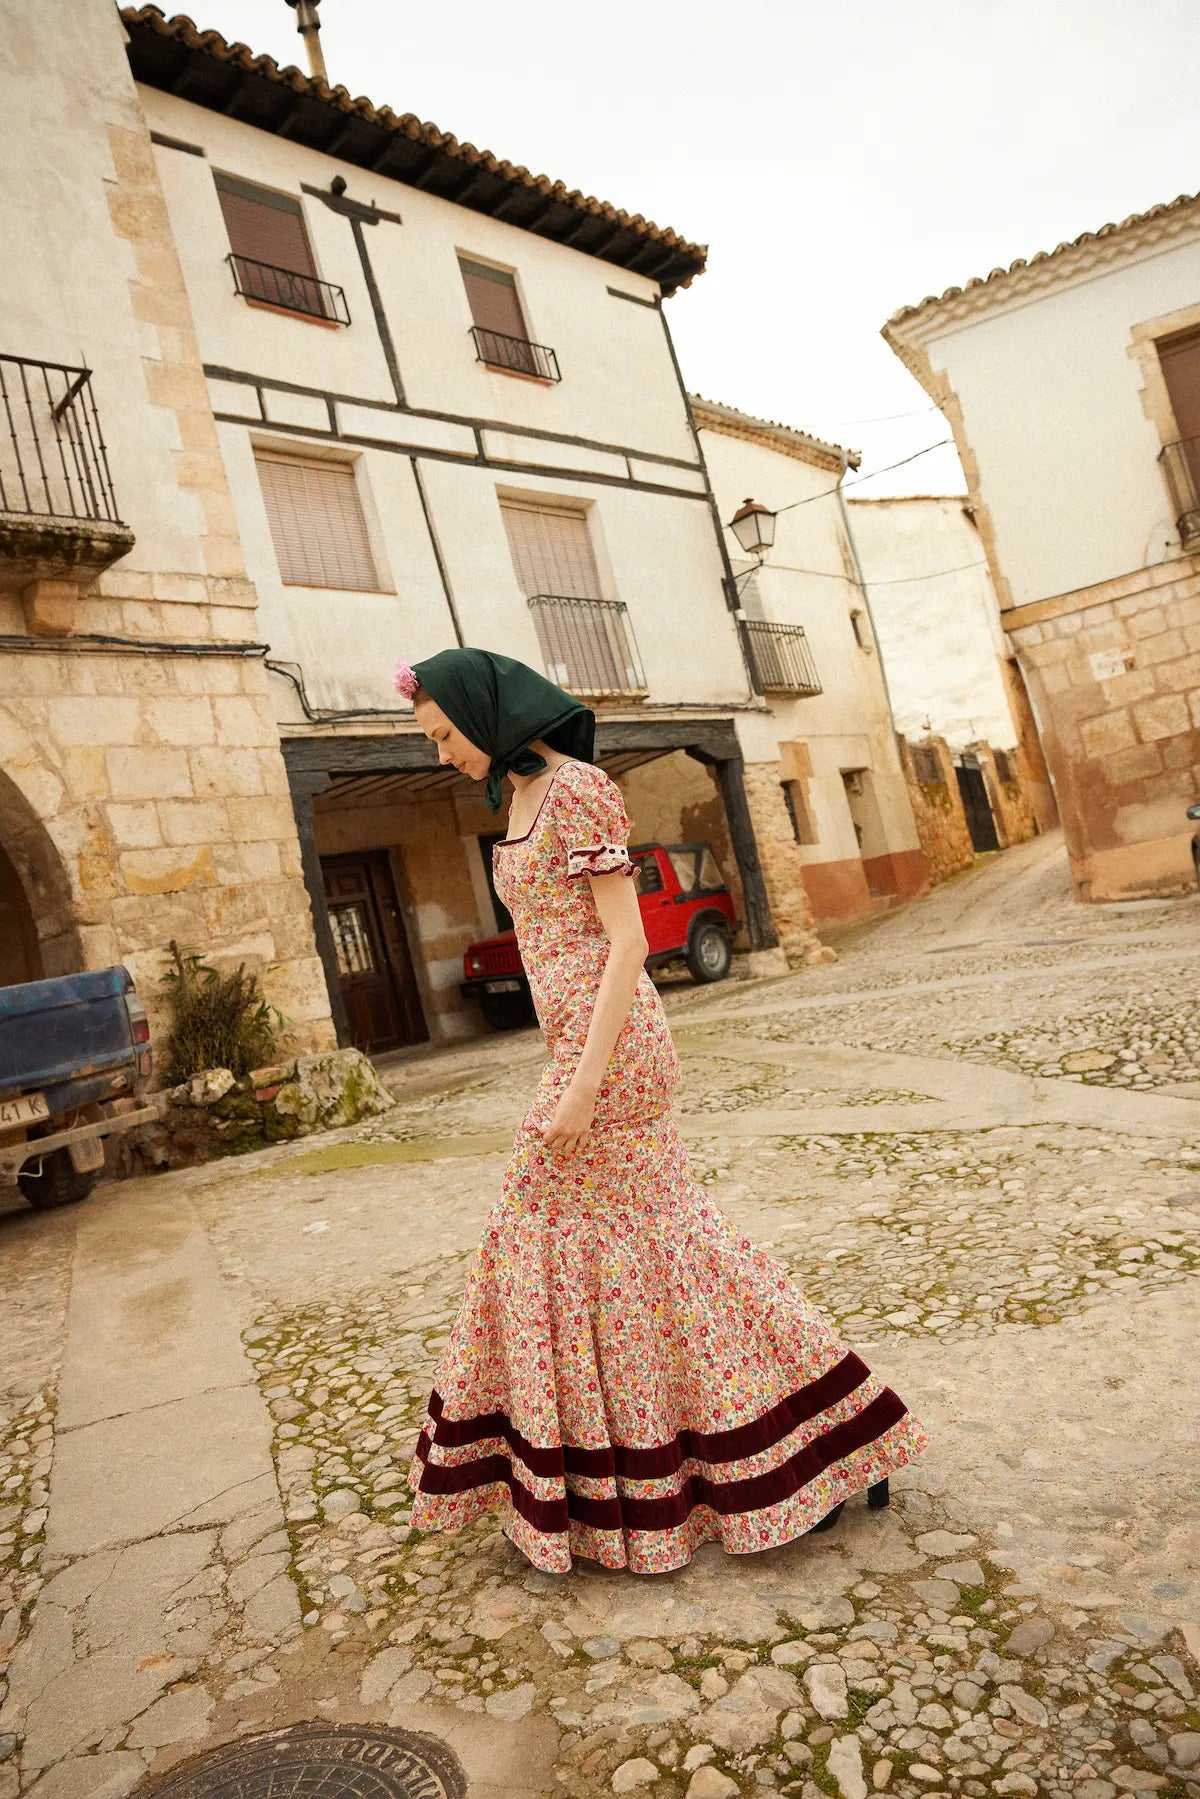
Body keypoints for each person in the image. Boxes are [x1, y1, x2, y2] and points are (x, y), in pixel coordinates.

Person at [399, 647, 928, 1575]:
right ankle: (814, 1435)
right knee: (658, 1248)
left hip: (616, 1056)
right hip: (573, 1050)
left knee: (549, 1232)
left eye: (444, 734)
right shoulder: (518, 802)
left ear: (483, 716)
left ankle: (792, 1441)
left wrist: (585, 1084)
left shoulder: (579, 791)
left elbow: (629, 940)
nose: (441, 752)